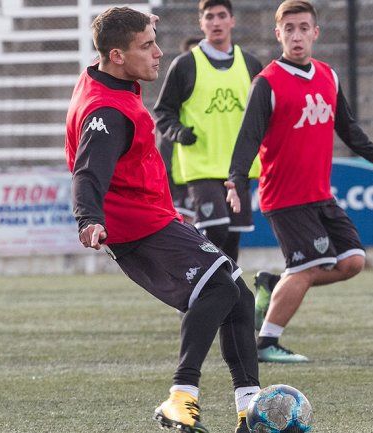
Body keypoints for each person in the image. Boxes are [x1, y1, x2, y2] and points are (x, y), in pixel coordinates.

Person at [65, 8, 259, 433]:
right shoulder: (107, 110)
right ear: (117, 55)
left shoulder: (106, 78)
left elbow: (111, 34)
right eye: (147, 45)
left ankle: (250, 409)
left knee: (240, 298)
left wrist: (134, 19)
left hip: (156, 218)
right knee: (221, 289)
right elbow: (88, 172)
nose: (159, 53)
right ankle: (181, 396)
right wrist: (88, 218)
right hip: (140, 228)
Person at [225, 0, 373, 363]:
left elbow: (349, 130)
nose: (296, 36)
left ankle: (273, 285)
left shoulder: (328, 76)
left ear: (316, 32)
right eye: (289, 29)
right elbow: (248, 138)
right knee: (306, 268)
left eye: (303, 28)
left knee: (352, 261)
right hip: (284, 197)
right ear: (278, 34)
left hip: (319, 194)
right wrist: (236, 178)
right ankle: (267, 343)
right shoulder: (267, 82)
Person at [154, 0, 263, 263]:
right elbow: (162, 112)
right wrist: (179, 132)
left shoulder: (250, 64)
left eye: (221, 16)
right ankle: (198, 289)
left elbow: (266, 113)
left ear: (232, 20)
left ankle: (227, 295)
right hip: (201, 166)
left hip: (239, 167)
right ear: (201, 23)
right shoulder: (185, 65)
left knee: (233, 236)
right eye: (209, 16)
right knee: (215, 228)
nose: (216, 22)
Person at [158, 36, 203, 224]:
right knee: (184, 224)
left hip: (205, 171)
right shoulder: (174, 97)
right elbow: (165, 129)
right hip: (178, 176)